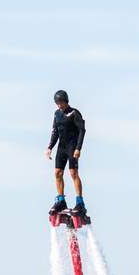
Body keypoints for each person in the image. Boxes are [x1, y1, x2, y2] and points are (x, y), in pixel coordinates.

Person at [45, 89, 87, 217]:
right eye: (57, 103)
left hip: (72, 147)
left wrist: (78, 148)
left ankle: (80, 203)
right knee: (57, 173)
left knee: (73, 173)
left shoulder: (74, 113)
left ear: (66, 101)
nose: (59, 105)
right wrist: (50, 147)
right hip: (61, 147)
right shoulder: (57, 114)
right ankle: (61, 200)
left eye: (61, 102)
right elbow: (55, 131)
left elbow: (82, 130)